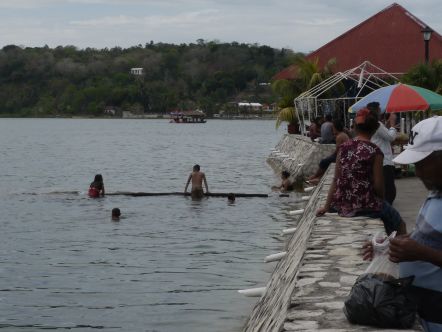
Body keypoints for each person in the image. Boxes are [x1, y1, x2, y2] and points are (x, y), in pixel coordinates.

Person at [363, 116, 442, 331]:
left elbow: (425, 249)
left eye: (422, 164)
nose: (417, 173)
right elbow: (428, 240)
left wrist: (422, 253)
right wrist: (390, 246)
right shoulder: (436, 194)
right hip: (422, 310)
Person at [316, 108, 406, 235]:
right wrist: (382, 202)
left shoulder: (343, 148)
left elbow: (336, 179)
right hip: (366, 206)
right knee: (399, 223)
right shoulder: (375, 151)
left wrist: (326, 207)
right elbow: (379, 186)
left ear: (355, 128)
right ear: (375, 129)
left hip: (342, 205)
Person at [367, 101, 398, 204]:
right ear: (376, 110)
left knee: (384, 188)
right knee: (390, 191)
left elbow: (383, 135)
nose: (381, 111)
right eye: (379, 109)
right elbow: (391, 137)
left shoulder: (374, 124)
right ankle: (386, 211)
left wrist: (388, 126)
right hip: (384, 161)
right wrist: (393, 124)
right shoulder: (377, 124)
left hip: (378, 159)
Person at [307, 119, 350, 184]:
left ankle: (316, 177)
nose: (332, 129)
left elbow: (337, 150)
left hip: (342, 156)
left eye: (333, 128)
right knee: (327, 161)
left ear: (335, 128)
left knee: (323, 161)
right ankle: (318, 178)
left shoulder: (340, 136)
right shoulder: (343, 134)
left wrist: (331, 155)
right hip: (344, 155)